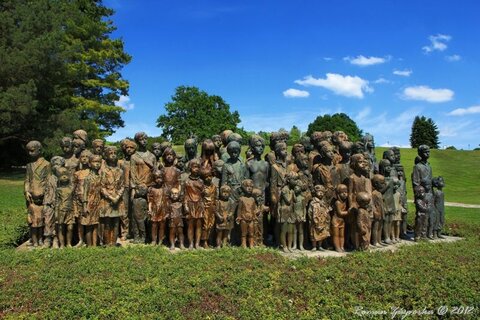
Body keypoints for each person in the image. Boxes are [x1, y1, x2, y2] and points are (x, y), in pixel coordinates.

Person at [24, 140, 51, 248]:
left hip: (42, 197)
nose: (30, 154)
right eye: (28, 151)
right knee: (33, 220)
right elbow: (27, 180)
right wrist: (26, 190)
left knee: (42, 219)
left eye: (32, 151)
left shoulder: (47, 164)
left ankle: (40, 239)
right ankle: (33, 239)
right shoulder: (29, 165)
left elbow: (49, 181)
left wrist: (46, 194)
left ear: (39, 150)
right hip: (32, 198)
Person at [81, 154, 103, 247]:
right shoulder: (88, 178)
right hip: (90, 203)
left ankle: (95, 245)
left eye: (99, 162)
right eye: (95, 162)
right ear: (90, 164)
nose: (97, 164)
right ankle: (89, 245)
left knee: (96, 225)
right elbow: (85, 193)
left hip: (98, 203)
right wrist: (84, 206)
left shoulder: (101, 177)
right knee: (89, 225)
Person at [183, 159, 205, 249]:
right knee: (190, 226)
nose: (196, 169)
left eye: (198, 167)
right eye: (194, 167)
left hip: (199, 204)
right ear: (190, 168)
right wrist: (185, 205)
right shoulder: (186, 181)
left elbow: (203, 195)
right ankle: (191, 243)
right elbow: (183, 194)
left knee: (199, 225)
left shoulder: (201, 181)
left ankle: (197, 243)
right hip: (190, 204)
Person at [308, 185, 331, 251]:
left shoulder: (324, 202)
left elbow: (327, 210)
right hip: (314, 221)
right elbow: (309, 211)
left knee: (322, 233)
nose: (321, 194)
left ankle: (320, 245)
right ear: (315, 193)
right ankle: (314, 246)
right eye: (319, 192)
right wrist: (311, 219)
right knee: (314, 234)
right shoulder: (313, 202)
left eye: (322, 192)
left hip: (323, 220)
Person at [236, 179, 258, 248]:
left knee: (251, 233)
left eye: (251, 187)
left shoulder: (253, 199)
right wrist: (238, 217)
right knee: (244, 233)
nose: (249, 188)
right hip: (243, 219)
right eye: (247, 186)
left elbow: (254, 209)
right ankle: (244, 244)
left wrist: (255, 216)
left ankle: (251, 244)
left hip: (251, 219)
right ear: (243, 188)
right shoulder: (241, 199)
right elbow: (239, 209)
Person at [147, 171, 166, 246]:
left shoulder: (165, 189)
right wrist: (149, 210)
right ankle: (154, 240)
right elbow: (150, 201)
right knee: (154, 225)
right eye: (157, 178)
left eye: (160, 178)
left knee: (162, 226)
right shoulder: (151, 189)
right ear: (154, 179)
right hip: (154, 209)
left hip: (163, 209)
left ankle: (160, 240)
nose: (159, 180)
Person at [331, 184, 349, 252]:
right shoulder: (337, 202)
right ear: (338, 194)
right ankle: (337, 247)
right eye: (342, 192)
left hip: (342, 221)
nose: (345, 194)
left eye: (346, 192)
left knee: (342, 235)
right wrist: (348, 212)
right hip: (336, 221)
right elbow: (340, 213)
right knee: (336, 235)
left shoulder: (344, 202)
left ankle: (342, 246)